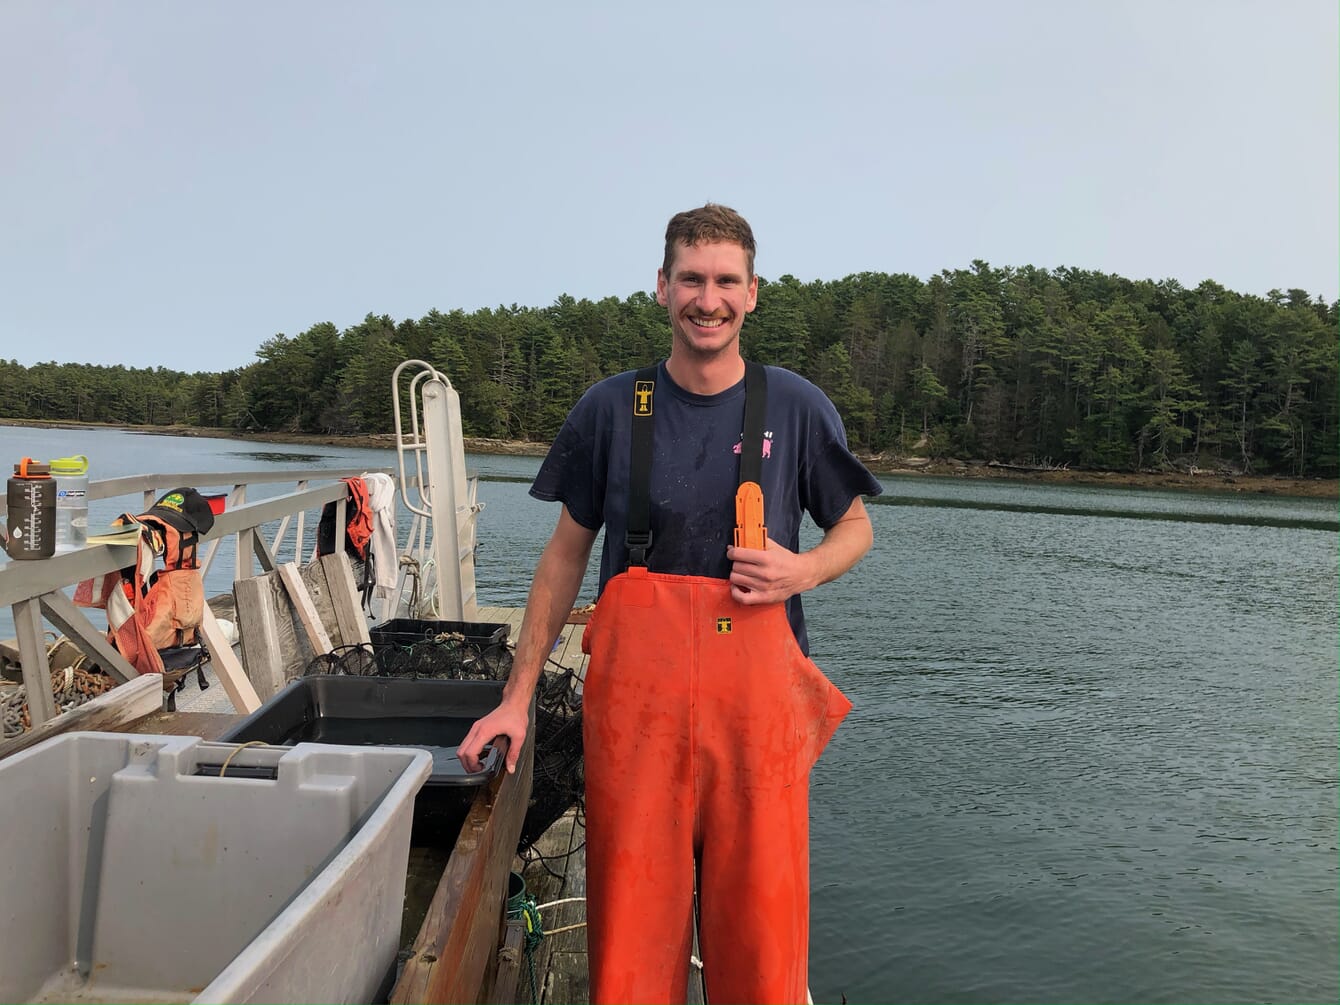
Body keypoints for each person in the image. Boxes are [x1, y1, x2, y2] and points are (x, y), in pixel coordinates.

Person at [457, 203, 883, 1003]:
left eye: (726, 280)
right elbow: (563, 557)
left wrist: (804, 570)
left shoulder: (794, 406)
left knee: (763, 941)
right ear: (661, 287)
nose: (708, 298)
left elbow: (856, 526)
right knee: (629, 943)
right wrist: (518, 699)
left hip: (758, 721)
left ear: (753, 293)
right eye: (691, 278)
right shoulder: (611, 408)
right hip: (636, 719)